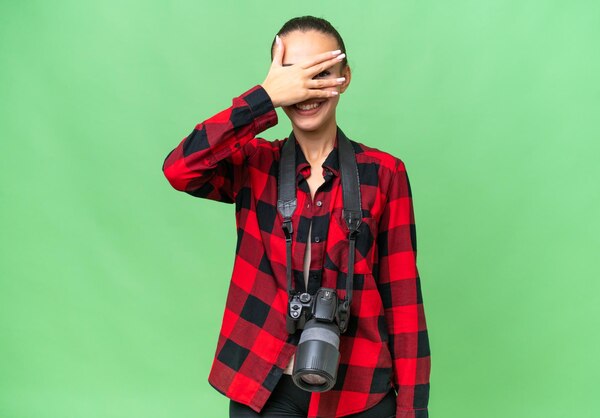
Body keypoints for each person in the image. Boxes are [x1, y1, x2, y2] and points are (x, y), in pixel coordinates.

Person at [162, 16, 430, 418]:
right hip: (264, 384)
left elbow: (404, 298)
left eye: (320, 74)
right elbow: (180, 169)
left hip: (359, 389)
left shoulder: (385, 173)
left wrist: (413, 410)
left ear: (345, 77)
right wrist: (263, 99)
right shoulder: (256, 164)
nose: (307, 90)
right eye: (294, 76)